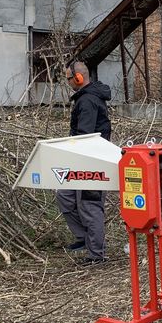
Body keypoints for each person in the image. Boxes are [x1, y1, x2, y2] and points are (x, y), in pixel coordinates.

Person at [57, 60, 112, 265]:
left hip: (93, 159)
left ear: (78, 78)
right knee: (65, 195)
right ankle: (83, 238)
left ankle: (96, 254)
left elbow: (85, 136)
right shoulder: (85, 98)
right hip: (82, 157)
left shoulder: (88, 100)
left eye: (69, 78)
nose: (68, 82)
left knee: (90, 204)